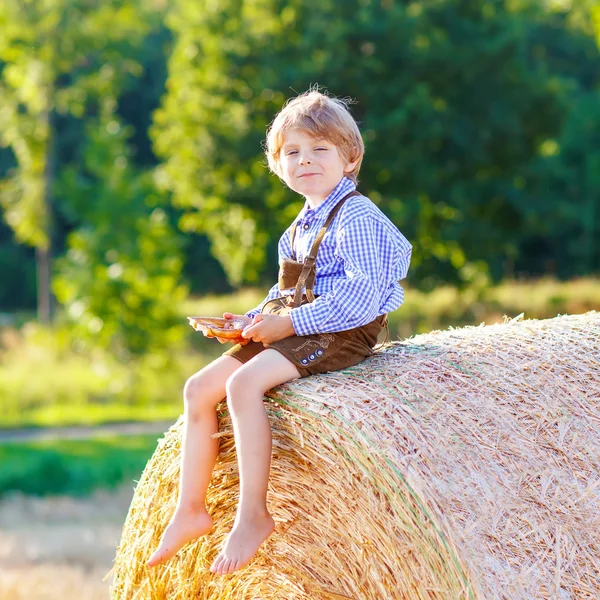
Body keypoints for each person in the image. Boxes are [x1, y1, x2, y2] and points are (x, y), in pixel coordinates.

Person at [146, 89, 412, 575]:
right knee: (199, 389)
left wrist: (286, 323)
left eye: (319, 150)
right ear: (277, 163)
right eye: (292, 152)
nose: (304, 161)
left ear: (349, 157)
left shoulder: (357, 215)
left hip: (343, 330)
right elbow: (285, 292)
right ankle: (191, 508)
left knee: (243, 385)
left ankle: (252, 516)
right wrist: (249, 322)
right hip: (301, 324)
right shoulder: (298, 227)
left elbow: (362, 296)